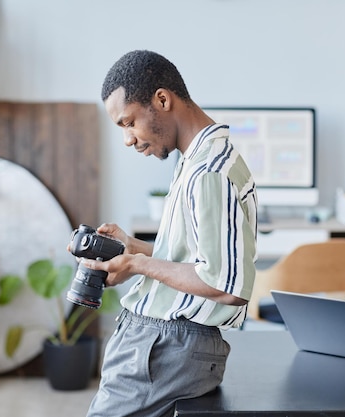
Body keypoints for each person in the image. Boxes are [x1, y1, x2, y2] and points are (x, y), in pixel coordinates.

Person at [77, 50, 258, 417]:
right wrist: (134, 250)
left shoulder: (209, 171)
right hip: (161, 344)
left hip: (164, 345)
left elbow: (226, 285)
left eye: (129, 123)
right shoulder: (195, 160)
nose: (128, 139)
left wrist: (139, 265)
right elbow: (199, 257)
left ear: (162, 99)